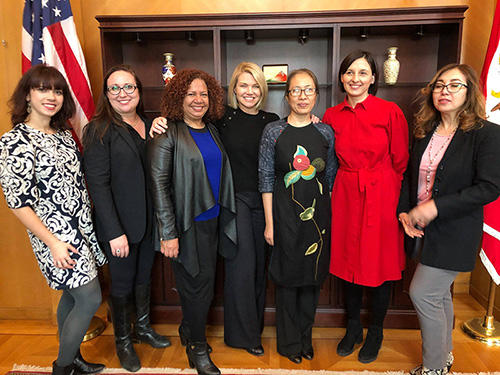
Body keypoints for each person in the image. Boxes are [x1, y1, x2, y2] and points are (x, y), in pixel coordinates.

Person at [0, 64, 107, 375]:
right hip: (54, 235)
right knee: (89, 297)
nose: (52, 96)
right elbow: (17, 203)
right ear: (27, 96)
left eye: (58, 90)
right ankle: (62, 368)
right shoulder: (15, 141)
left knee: (72, 294)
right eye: (43, 89)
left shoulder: (61, 134)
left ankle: (71, 356)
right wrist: (53, 243)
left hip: (80, 227)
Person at [398, 64, 500, 375]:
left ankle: (432, 368)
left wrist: (435, 208)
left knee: (423, 293)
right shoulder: (424, 131)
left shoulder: (487, 134)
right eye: (440, 85)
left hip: (456, 230)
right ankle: (444, 357)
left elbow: (490, 187)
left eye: (455, 85)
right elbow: (409, 177)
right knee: (439, 294)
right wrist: (404, 211)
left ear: (470, 93)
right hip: (422, 231)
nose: (445, 91)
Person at [322, 50, 409, 363]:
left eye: (362, 73)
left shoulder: (390, 111)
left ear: (373, 78)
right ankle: (353, 328)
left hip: (382, 193)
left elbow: (400, 161)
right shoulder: (332, 115)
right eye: (349, 73)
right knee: (348, 264)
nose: (355, 79)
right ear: (342, 78)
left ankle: (376, 331)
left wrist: (390, 198)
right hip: (346, 193)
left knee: (380, 266)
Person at [148, 69, 237, 375]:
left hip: (211, 222)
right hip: (186, 226)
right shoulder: (167, 132)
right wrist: (168, 234)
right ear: (178, 98)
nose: (198, 100)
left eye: (203, 94)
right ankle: (197, 349)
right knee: (197, 288)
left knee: (203, 286)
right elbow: (158, 186)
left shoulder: (211, 129)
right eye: (190, 94)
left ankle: (189, 331)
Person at [83, 65, 170, 373]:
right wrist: (114, 232)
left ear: (138, 91)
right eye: (115, 88)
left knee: (144, 278)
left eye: (129, 87)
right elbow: (98, 186)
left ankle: (142, 329)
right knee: (121, 285)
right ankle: (123, 341)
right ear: (107, 95)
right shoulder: (98, 130)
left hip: (148, 223)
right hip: (118, 227)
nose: (123, 93)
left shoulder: (150, 124)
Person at [259, 68, 337, 364]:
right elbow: (265, 177)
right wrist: (269, 224)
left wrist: (326, 216)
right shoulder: (274, 132)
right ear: (287, 96)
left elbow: (329, 177)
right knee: (288, 279)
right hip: (284, 215)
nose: (302, 96)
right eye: (296, 90)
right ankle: (289, 344)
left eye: (308, 90)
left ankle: (305, 338)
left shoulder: (325, 131)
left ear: (316, 95)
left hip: (318, 218)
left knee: (312, 279)